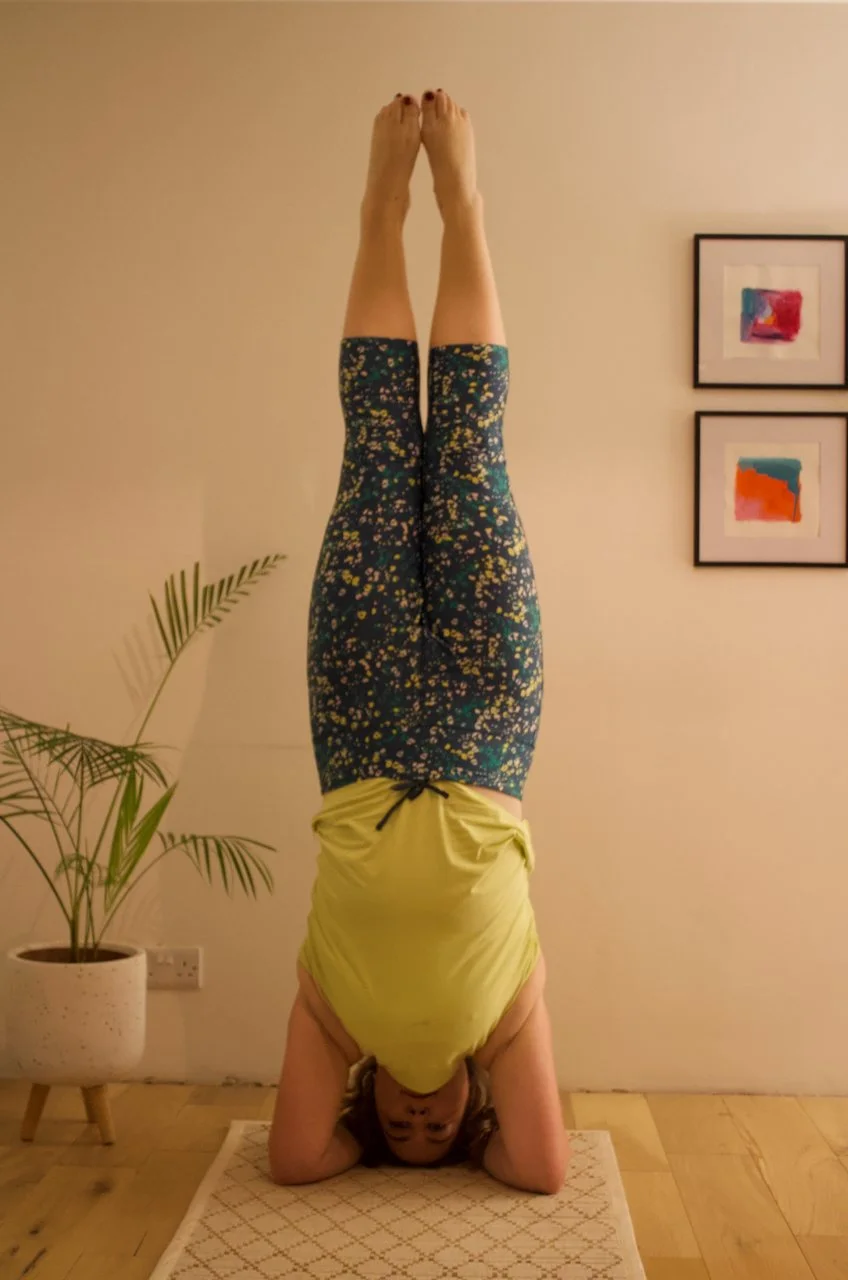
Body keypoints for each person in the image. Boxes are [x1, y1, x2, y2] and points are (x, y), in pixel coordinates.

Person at [268, 89, 568, 1196]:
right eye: (438, 1132)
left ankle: (380, 212)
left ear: (365, 1109)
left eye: (399, 1131)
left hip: (359, 726)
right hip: (488, 724)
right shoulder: (503, 1021)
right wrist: (483, 1136)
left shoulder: (335, 1020)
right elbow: (542, 1169)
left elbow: (295, 1158)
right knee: (472, 451)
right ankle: (464, 204)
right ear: (475, 1109)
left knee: (380, 445)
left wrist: (354, 1145)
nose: (417, 1119)